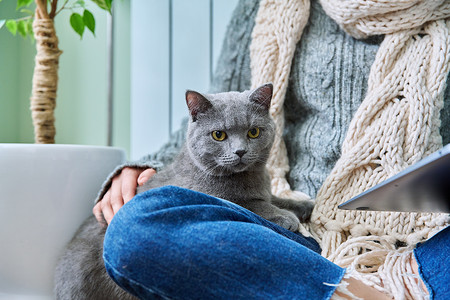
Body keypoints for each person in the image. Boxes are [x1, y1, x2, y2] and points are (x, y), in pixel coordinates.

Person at [93, 0, 450, 299]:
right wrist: (140, 169)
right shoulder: (268, 4)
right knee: (136, 228)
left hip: (417, 234)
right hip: (286, 232)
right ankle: (363, 291)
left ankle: (347, 290)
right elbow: (212, 114)